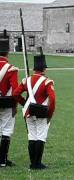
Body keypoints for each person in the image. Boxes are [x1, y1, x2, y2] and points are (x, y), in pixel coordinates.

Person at [13, 48, 55, 170]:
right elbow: (52, 100)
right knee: (41, 136)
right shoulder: (47, 82)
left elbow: (15, 94)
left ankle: (33, 163)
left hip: (29, 111)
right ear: (44, 69)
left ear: (34, 69)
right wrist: (49, 114)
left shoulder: (26, 80)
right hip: (42, 112)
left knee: (32, 135)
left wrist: (24, 103)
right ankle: (37, 163)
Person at [0, 29, 23, 167]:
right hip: (7, 103)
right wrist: (18, 105)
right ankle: (2, 160)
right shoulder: (11, 69)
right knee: (6, 130)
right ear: (8, 52)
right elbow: (15, 91)